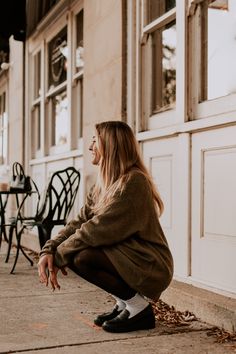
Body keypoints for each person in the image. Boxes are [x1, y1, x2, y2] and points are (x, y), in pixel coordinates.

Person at [38, 121, 173, 333]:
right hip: (129, 256)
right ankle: (125, 303)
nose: (91, 147)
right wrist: (49, 249)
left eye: (95, 141)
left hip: (149, 263)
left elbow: (95, 230)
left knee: (82, 257)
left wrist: (58, 256)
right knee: (77, 252)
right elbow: (79, 222)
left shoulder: (133, 182)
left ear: (110, 145)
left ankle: (140, 309)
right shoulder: (106, 183)